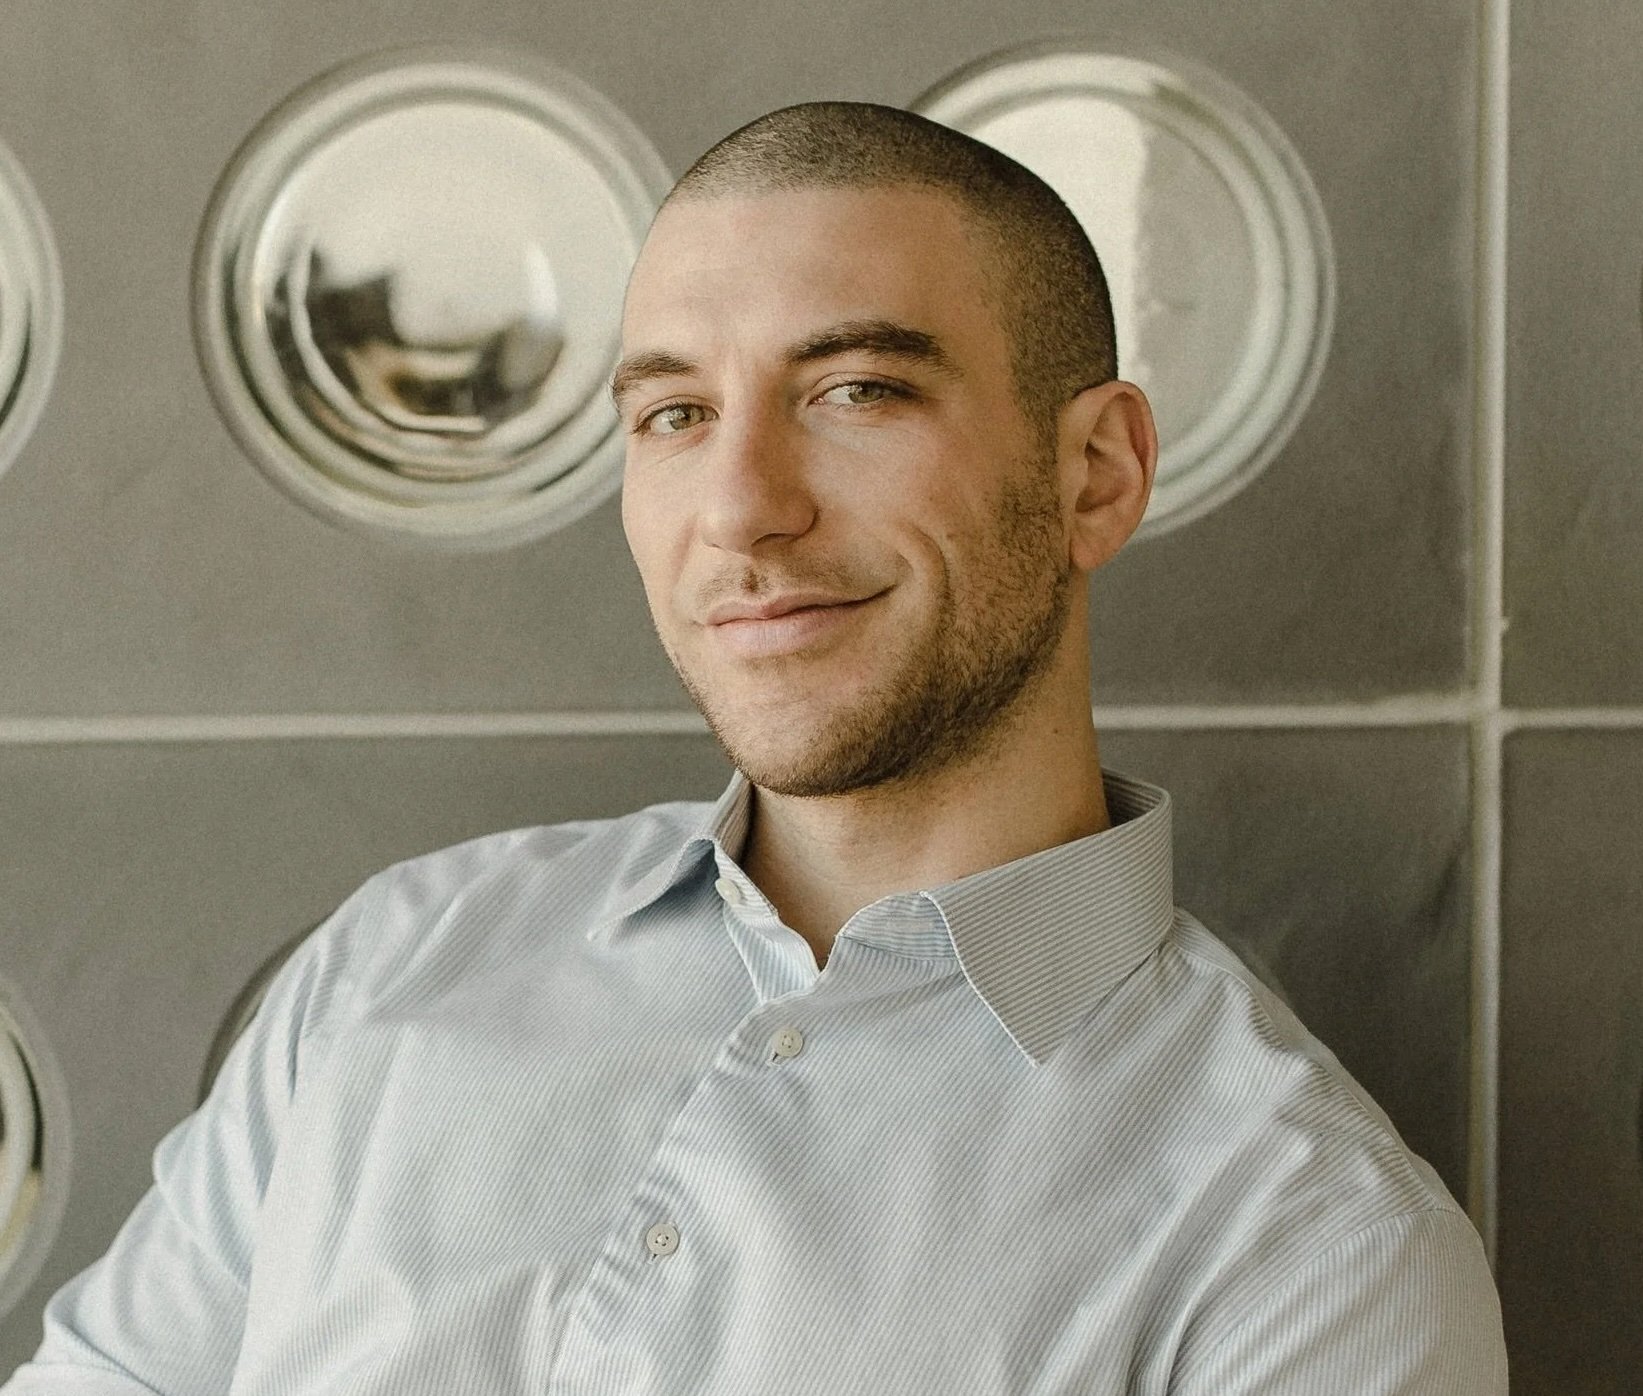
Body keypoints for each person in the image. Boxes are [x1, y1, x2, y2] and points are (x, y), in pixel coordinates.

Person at [4, 102, 1508, 1393]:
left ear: (1095, 473)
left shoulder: (1314, 1253)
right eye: (671, 414)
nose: (738, 507)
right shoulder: (397, 960)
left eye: (856, 391)